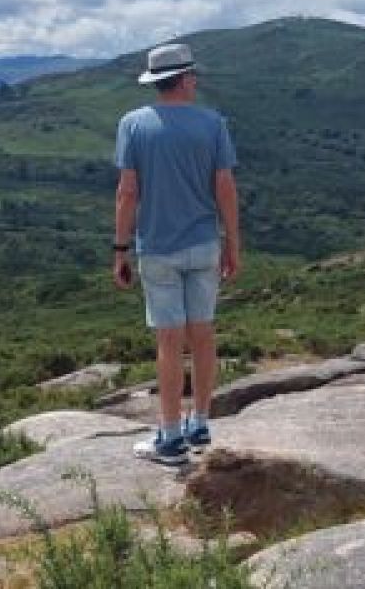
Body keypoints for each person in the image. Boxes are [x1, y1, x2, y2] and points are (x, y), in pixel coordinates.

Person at [113, 42, 241, 465]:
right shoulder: (213, 124)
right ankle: (199, 423)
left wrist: (120, 249)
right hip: (204, 244)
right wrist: (233, 244)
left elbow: (127, 193)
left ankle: (169, 437)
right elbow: (225, 188)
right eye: (193, 75)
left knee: (169, 341)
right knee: (203, 334)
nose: (196, 81)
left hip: (157, 248)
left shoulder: (133, 125)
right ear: (184, 79)